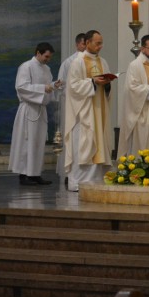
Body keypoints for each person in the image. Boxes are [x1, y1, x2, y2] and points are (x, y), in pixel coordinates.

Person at [64, 30, 113, 192]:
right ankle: (78, 182)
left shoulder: (103, 62)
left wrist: (106, 83)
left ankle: (96, 179)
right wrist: (92, 82)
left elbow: (106, 88)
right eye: (97, 43)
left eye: (101, 43)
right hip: (84, 111)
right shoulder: (77, 62)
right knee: (84, 143)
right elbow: (73, 86)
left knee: (98, 142)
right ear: (87, 43)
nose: (101, 46)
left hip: (100, 109)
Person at [8, 42, 60, 186]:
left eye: (49, 57)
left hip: (40, 109)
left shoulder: (47, 69)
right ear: (38, 53)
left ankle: (35, 173)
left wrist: (54, 85)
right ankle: (24, 175)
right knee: (27, 141)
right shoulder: (26, 67)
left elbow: (48, 87)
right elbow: (22, 87)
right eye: (46, 56)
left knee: (38, 142)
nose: (47, 60)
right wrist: (44, 88)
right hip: (29, 108)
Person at [55, 32, 87, 183]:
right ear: (77, 45)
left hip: (86, 106)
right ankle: (69, 173)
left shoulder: (91, 61)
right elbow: (60, 85)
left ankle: (82, 174)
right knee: (71, 139)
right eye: (83, 44)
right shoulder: (69, 62)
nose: (85, 47)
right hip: (71, 105)